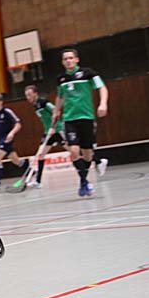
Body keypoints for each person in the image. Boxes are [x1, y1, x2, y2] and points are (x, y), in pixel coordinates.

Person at [53, 48, 109, 197]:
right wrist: (56, 111)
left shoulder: (88, 73)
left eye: (71, 58)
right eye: (65, 59)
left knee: (88, 155)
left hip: (86, 117)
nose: (68, 61)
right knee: (73, 151)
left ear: (77, 59)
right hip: (69, 119)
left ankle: (84, 182)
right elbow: (60, 96)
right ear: (62, 62)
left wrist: (103, 103)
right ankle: (84, 182)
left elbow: (102, 87)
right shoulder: (61, 79)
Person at [24, 85, 68, 188]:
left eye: (29, 94)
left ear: (35, 93)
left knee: (73, 150)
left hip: (57, 130)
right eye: (26, 95)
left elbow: (56, 112)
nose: (28, 97)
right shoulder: (35, 105)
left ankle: (97, 160)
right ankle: (38, 182)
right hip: (48, 132)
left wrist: (53, 127)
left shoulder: (43, 102)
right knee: (41, 154)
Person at [0, 93, 29, 188]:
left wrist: (12, 133)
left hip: (7, 139)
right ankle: (32, 170)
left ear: (1, 102)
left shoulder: (7, 112)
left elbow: (18, 124)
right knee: (16, 161)